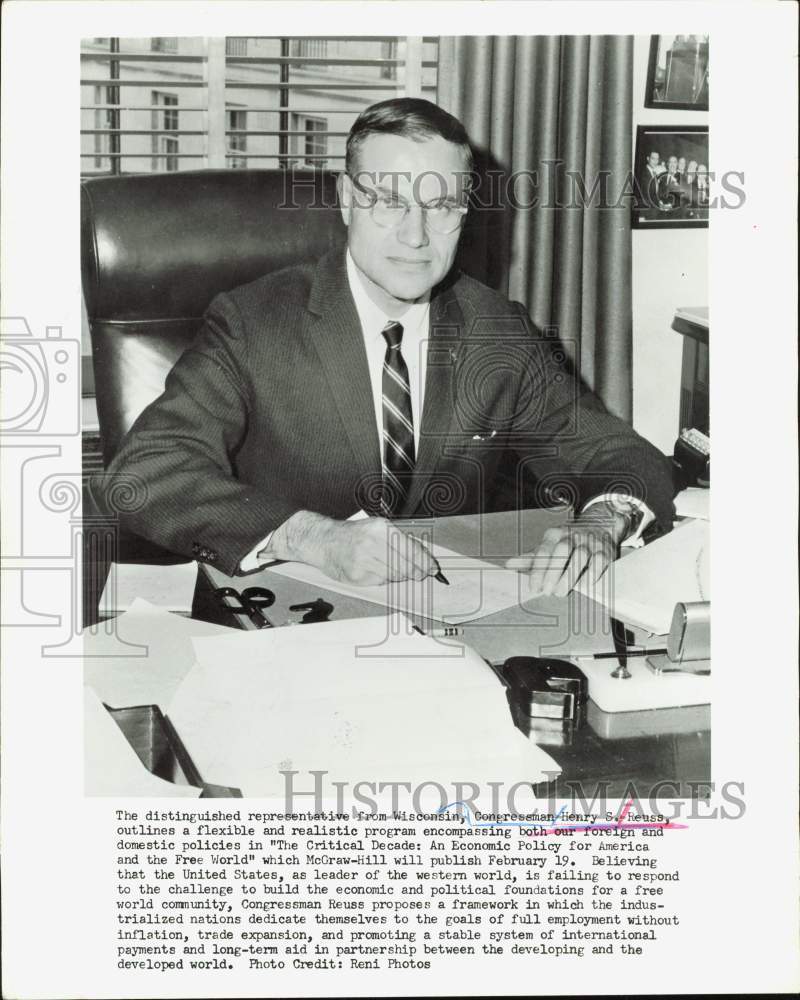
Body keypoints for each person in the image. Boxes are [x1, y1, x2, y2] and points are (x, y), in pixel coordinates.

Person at [90, 98, 674, 599]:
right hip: (290, 620)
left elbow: (620, 455)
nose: (416, 235)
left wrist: (603, 520)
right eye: (389, 201)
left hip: (450, 626)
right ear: (347, 199)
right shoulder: (254, 323)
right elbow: (143, 473)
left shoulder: (497, 331)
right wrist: (313, 536)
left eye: (441, 205)